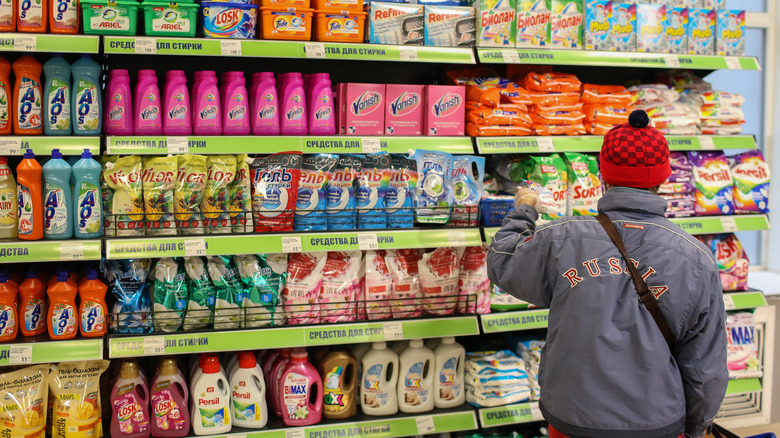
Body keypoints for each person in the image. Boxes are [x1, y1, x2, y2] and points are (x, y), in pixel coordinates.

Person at [486, 110, 727, 438]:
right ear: (664, 178)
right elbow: (705, 366)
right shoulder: (696, 259)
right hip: (655, 422)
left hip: (572, 417)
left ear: (603, 173)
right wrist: (697, 428)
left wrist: (524, 209)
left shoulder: (562, 237)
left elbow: (503, 262)